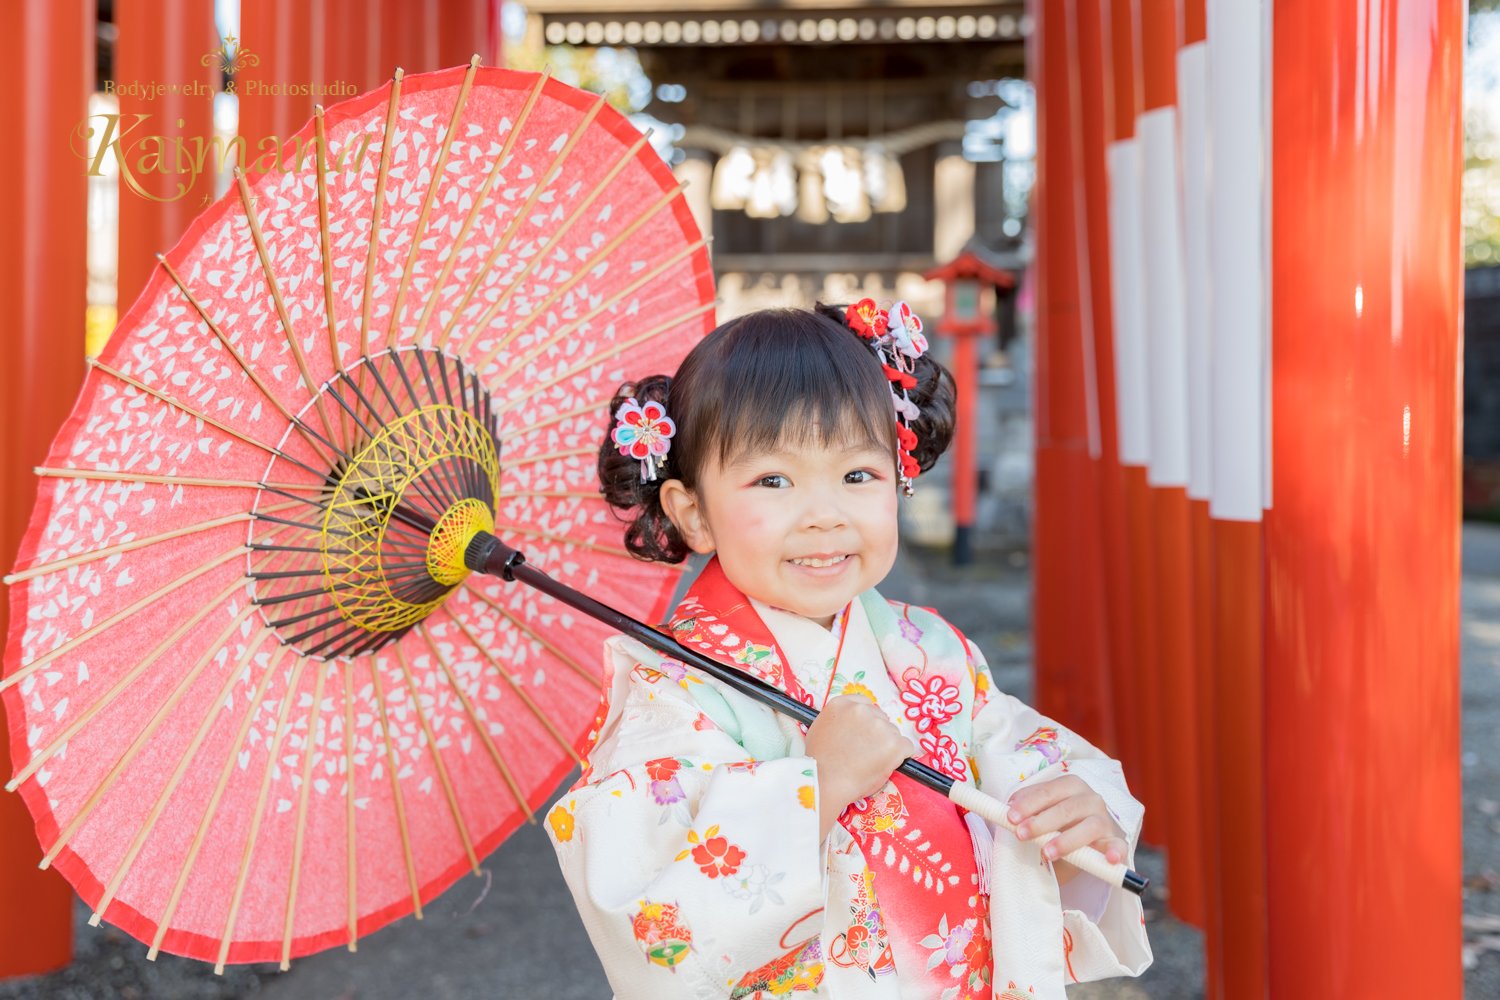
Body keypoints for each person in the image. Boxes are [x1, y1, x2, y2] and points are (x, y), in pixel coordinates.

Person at [545, 302, 1152, 1000]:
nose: (824, 514)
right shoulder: (672, 693)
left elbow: (1029, 797)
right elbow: (648, 919)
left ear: (899, 474)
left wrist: (1075, 826)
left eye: (858, 475)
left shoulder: (931, 652)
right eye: (773, 480)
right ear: (693, 513)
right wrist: (816, 787)